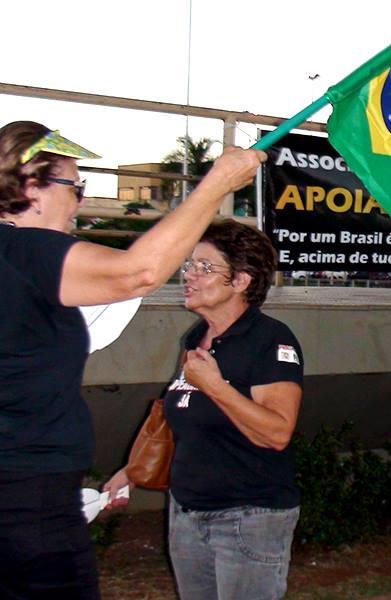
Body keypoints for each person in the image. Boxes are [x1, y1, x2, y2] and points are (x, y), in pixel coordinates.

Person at [0, 120, 265, 600]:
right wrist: (217, 185)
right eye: (73, 186)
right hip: (27, 495)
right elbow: (139, 271)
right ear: (32, 188)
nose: (80, 199)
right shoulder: (27, 250)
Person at [105, 220, 303, 600]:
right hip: (187, 513)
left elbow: (277, 433)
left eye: (205, 267)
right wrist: (132, 470)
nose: (189, 275)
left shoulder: (270, 340)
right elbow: (180, 420)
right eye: (189, 265)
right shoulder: (196, 338)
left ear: (241, 281)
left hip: (248, 517)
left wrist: (214, 385)